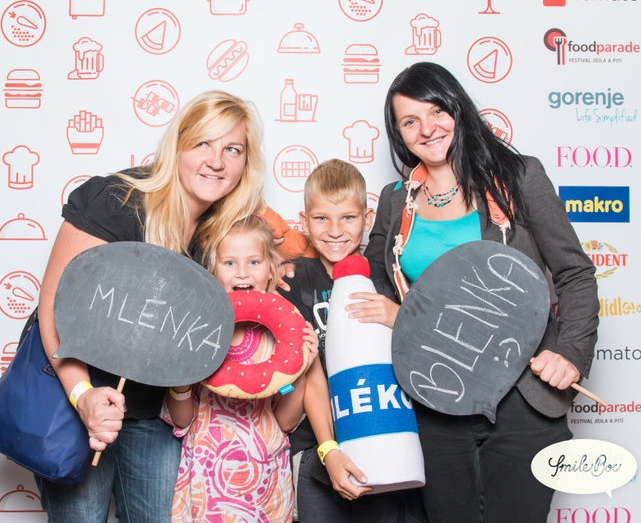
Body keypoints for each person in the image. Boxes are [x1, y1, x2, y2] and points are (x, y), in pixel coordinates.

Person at [365, 62, 599, 523]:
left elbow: (575, 273)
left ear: (458, 108)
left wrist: (570, 352)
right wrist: (290, 261)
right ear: (399, 134)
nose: (426, 129)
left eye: (436, 111)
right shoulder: (395, 200)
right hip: (435, 398)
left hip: (523, 396)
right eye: (410, 121)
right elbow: (371, 277)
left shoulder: (518, 178)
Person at [35, 90, 267, 523]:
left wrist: (286, 265)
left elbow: (273, 245)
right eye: (202, 143)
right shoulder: (114, 200)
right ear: (177, 146)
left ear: (245, 164)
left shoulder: (221, 232)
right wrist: (82, 396)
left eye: (232, 149)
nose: (216, 161)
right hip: (78, 398)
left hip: (154, 412)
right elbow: (54, 305)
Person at [278, 159, 426, 523]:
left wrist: (400, 316)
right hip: (316, 446)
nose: (334, 231)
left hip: (384, 436)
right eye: (321, 218)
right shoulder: (294, 282)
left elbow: (416, 351)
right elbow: (309, 371)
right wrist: (328, 450)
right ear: (304, 220)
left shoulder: (389, 279)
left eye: (348, 218)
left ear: (367, 217)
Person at [162, 215, 319, 522]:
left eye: (254, 262)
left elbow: (285, 422)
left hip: (265, 485)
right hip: (206, 485)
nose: (242, 273)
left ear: (271, 269)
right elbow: (181, 419)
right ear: (213, 270)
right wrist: (181, 378)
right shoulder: (196, 332)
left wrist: (300, 371)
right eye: (230, 263)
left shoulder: (279, 337)